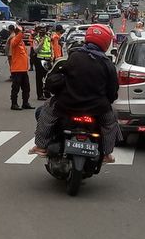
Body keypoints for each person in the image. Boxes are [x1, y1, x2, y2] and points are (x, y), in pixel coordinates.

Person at [29, 24, 120, 163]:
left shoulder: (74, 56)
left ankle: (40, 146)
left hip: (67, 105)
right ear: (106, 42)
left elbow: (58, 77)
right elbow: (112, 92)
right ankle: (107, 154)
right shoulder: (108, 64)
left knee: (46, 113)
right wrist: (107, 101)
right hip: (97, 109)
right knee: (111, 122)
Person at [9, 26, 33, 110]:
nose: (23, 34)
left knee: (26, 88)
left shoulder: (21, 42)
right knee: (15, 88)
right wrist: (20, 32)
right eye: (21, 32)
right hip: (17, 69)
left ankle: (25, 103)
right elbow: (16, 39)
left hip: (23, 69)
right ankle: (14, 104)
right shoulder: (14, 40)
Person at [32, 25, 53, 101]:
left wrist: (52, 56)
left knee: (48, 77)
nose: (43, 33)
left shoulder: (48, 38)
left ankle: (47, 93)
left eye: (44, 31)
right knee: (39, 78)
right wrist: (41, 42)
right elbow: (36, 50)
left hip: (47, 60)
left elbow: (51, 47)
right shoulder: (36, 39)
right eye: (41, 31)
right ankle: (40, 95)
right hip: (39, 60)